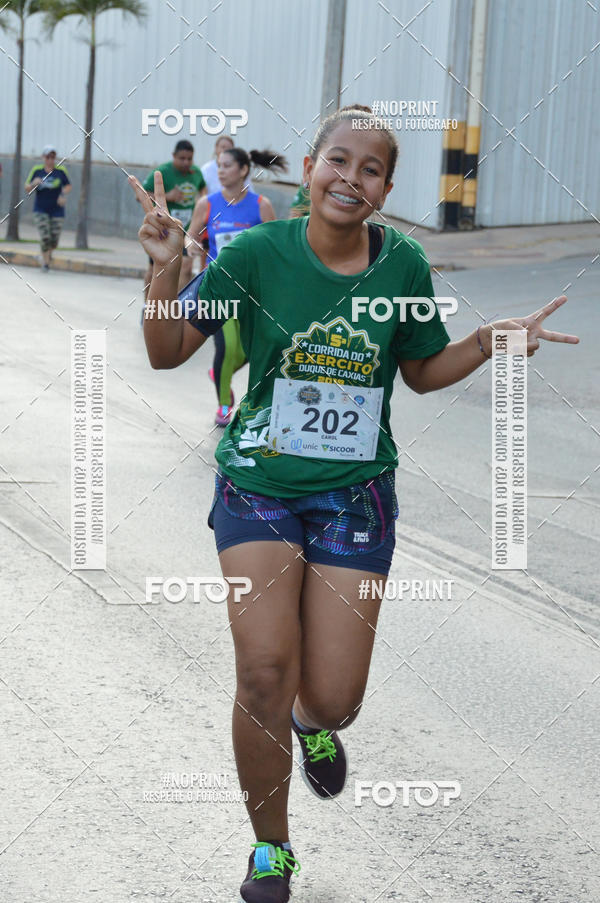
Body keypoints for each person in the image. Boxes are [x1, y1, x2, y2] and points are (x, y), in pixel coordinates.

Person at [129, 103, 579, 903]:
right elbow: (166, 351)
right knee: (264, 669)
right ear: (309, 170)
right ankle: (272, 847)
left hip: (355, 497)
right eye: (338, 160)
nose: (351, 177)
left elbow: (421, 370)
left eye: (370, 169)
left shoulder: (402, 264)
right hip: (258, 487)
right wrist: (165, 266)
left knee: (333, 695)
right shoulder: (259, 254)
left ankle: (314, 725)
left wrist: (486, 342)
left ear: (386, 188)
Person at [187, 146, 287, 426]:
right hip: (218, 289)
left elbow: (275, 246)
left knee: (247, 350)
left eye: (227, 166)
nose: (220, 171)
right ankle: (223, 405)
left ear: (244, 170)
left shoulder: (261, 206)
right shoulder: (207, 203)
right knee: (226, 347)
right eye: (219, 166)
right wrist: (192, 246)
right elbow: (191, 236)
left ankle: (220, 373)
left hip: (251, 292)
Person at [140, 140, 205, 298]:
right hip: (163, 230)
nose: (186, 162)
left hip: (186, 230)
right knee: (155, 270)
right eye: (182, 158)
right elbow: (142, 194)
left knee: (186, 268)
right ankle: (148, 306)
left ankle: (178, 308)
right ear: (173, 156)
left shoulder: (196, 173)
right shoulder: (162, 172)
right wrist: (169, 196)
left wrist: (201, 203)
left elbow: (203, 189)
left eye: (189, 159)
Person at [25, 146, 71, 271]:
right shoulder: (37, 170)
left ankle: (47, 254)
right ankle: (45, 263)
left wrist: (63, 194)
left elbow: (68, 186)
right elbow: (27, 188)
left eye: (53, 157)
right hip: (40, 209)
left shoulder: (60, 170)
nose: (50, 160)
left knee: (54, 240)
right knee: (45, 237)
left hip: (57, 210)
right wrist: (34, 183)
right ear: (43, 157)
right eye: (48, 157)